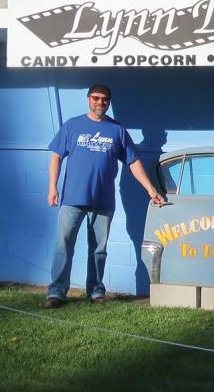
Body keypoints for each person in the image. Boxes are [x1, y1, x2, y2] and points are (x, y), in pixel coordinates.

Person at [43, 84, 165, 308]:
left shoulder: (117, 130)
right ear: (89, 99)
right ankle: (56, 292)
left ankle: (96, 291)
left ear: (108, 103)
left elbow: (133, 162)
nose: (100, 103)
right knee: (63, 244)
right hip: (72, 199)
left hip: (103, 200)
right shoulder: (72, 125)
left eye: (104, 100)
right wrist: (53, 188)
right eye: (96, 98)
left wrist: (150, 189)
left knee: (99, 249)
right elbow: (56, 157)